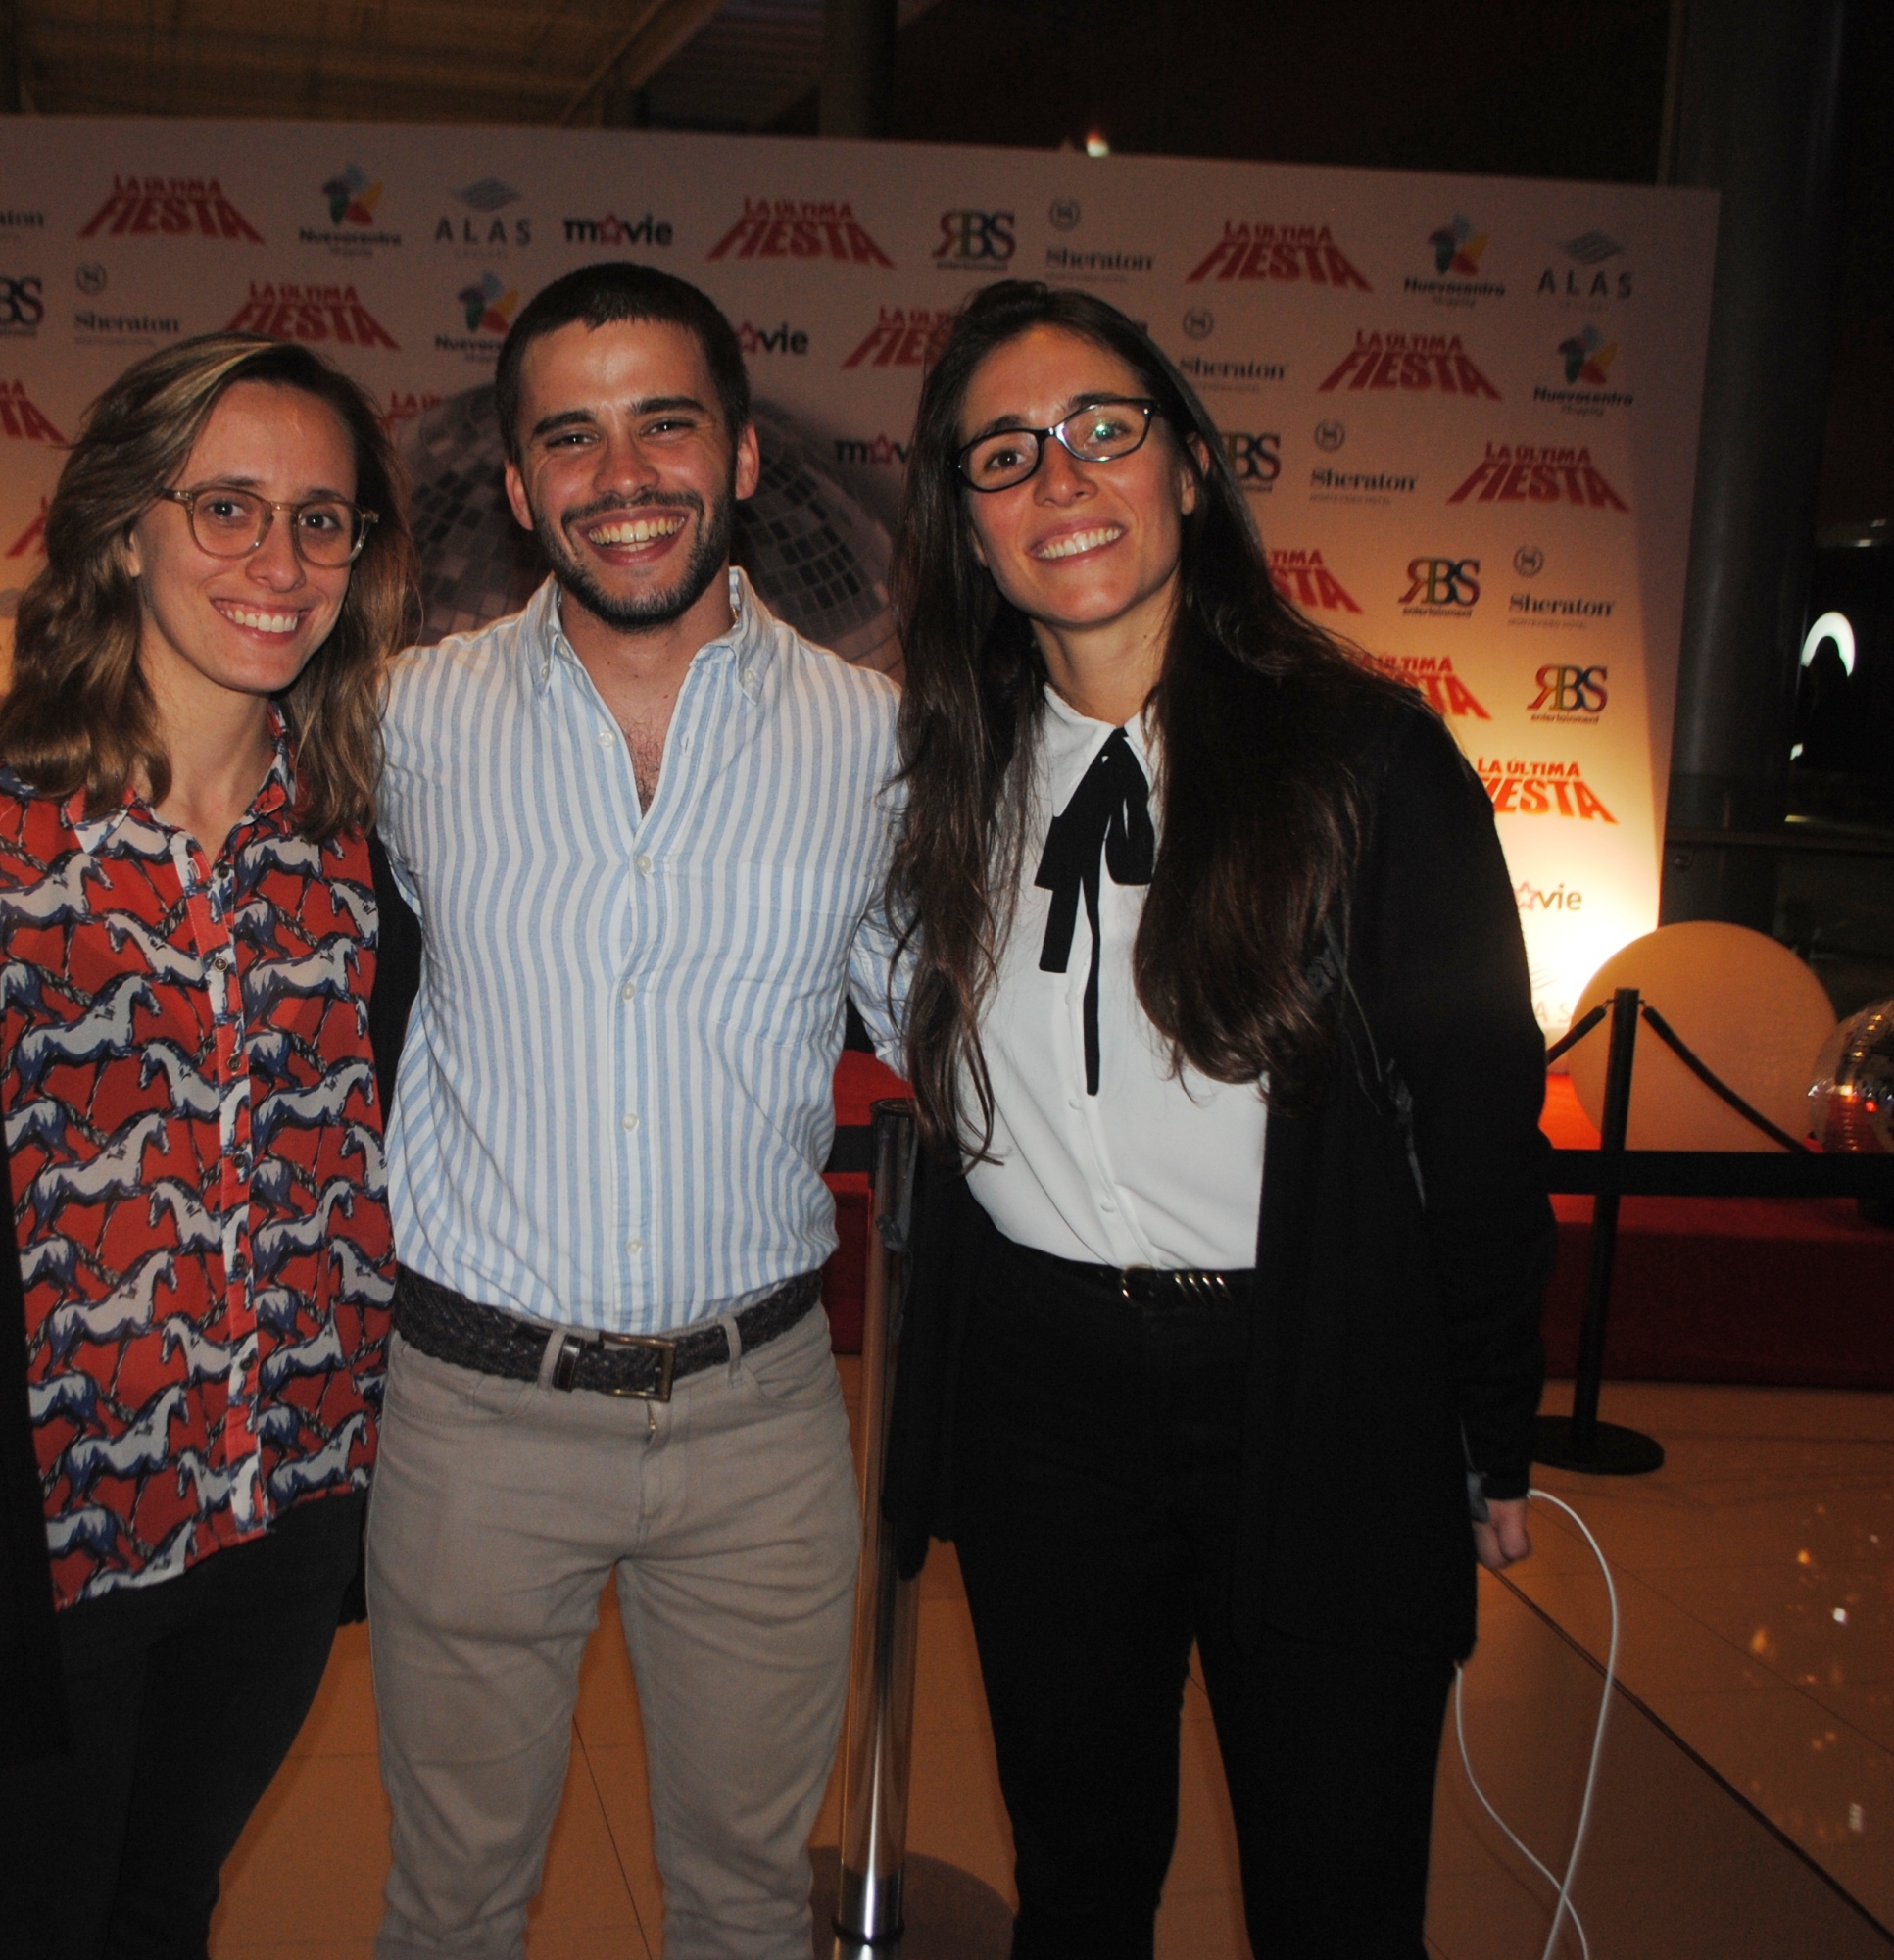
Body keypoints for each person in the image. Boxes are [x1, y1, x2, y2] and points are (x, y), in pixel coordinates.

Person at [878, 279, 1555, 1958]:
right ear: (966, 527)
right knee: (1080, 1881)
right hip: (1043, 1401)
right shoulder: (943, 774)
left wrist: (1486, 1425)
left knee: (1335, 1899)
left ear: (1188, 465)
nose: (1064, 482)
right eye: (1008, 456)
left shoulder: (1365, 763)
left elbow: (1476, 1121)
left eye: (1106, 432)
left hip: (1312, 1388)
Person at [0, 332, 419, 1960]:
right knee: (29, 1929)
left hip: (292, 1507)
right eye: (229, 507)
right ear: (124, 530)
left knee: (167, 1910)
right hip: (44, 1533)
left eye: (324, 520)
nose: (280, 561)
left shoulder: (367, 847)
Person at [367, 261, 905, 1960]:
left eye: (665, 425)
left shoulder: (877, 741)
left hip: (759, 1432)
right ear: (519, 489)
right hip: (472, 1421)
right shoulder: (401, 724)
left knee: (750, 1908)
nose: (623, 478)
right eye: (572, 441)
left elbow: (972, 1035)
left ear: (742, 455)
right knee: (452, 1907)